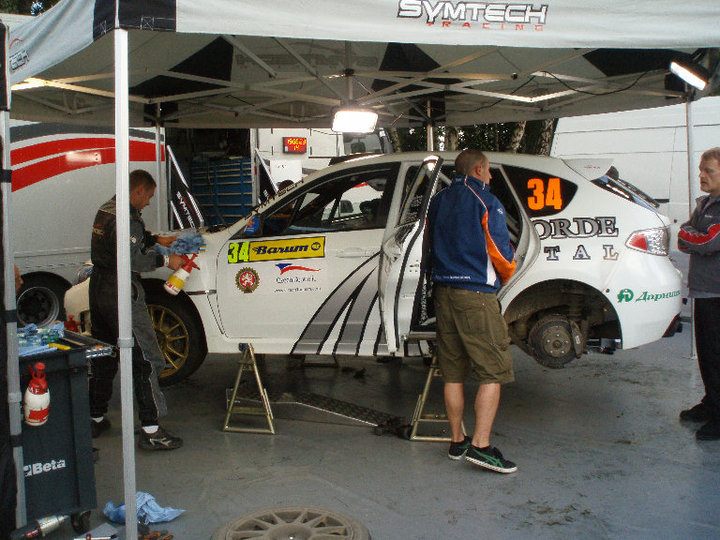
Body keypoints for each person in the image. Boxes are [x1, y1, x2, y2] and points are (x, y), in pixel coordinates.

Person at [426, 149, 517, 473]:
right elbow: (502, 254)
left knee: (452, 372)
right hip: (476, 295)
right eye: (489, 171)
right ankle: (481, 446)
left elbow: (428, 244)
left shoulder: (438, 201)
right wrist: (505, 275)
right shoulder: (486, 201)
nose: (490, 177)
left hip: (443, 293)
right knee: (493, 371)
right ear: (478, 169)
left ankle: (457, 441)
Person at [88, 169, 185, 450]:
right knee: (147, 357)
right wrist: (167, 260)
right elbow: (133, 259)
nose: (148, 202)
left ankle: (94, 417)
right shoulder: (128, 218)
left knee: (105, 355)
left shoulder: (106, 209)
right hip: (120, 291)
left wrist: (155, 239)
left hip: (99, 289)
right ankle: (152, 430)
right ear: (139, 190)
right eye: (149, 196)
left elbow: (121, 241)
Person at [677, 147, 720, 441]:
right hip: (704, 291)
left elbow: (708, 242)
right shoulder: (705, 204)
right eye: (701, 170)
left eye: (709, 171)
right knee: (707, 353)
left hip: (717, 293)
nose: (702, 175)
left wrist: (691, 235)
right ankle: (712, 402)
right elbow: (686, 235)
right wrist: (692, 235)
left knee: (717, 354)